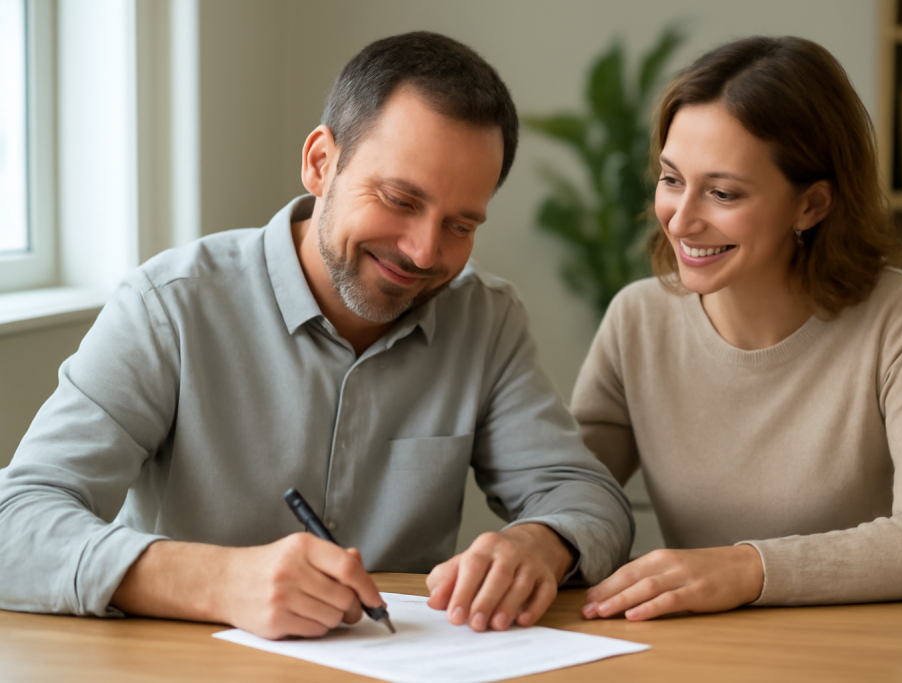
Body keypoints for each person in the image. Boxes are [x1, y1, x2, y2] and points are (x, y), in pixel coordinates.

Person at [0, 31, 632, 639]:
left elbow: (589, 499)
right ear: (320, 163)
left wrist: (540, 543)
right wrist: (217, 581)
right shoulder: (169, 307)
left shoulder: (487, 320)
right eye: (399, 199)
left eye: (461, 224)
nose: (423, 251)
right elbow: (14, 523)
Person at [572, 35, 902, 622]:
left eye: (722, 192)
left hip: (864, 652)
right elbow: (571, 490)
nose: (682, 218)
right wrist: (529, 544)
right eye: (671, 179)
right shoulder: (636, 319)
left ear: (812, 205)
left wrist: (747, 569)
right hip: (702, 657)